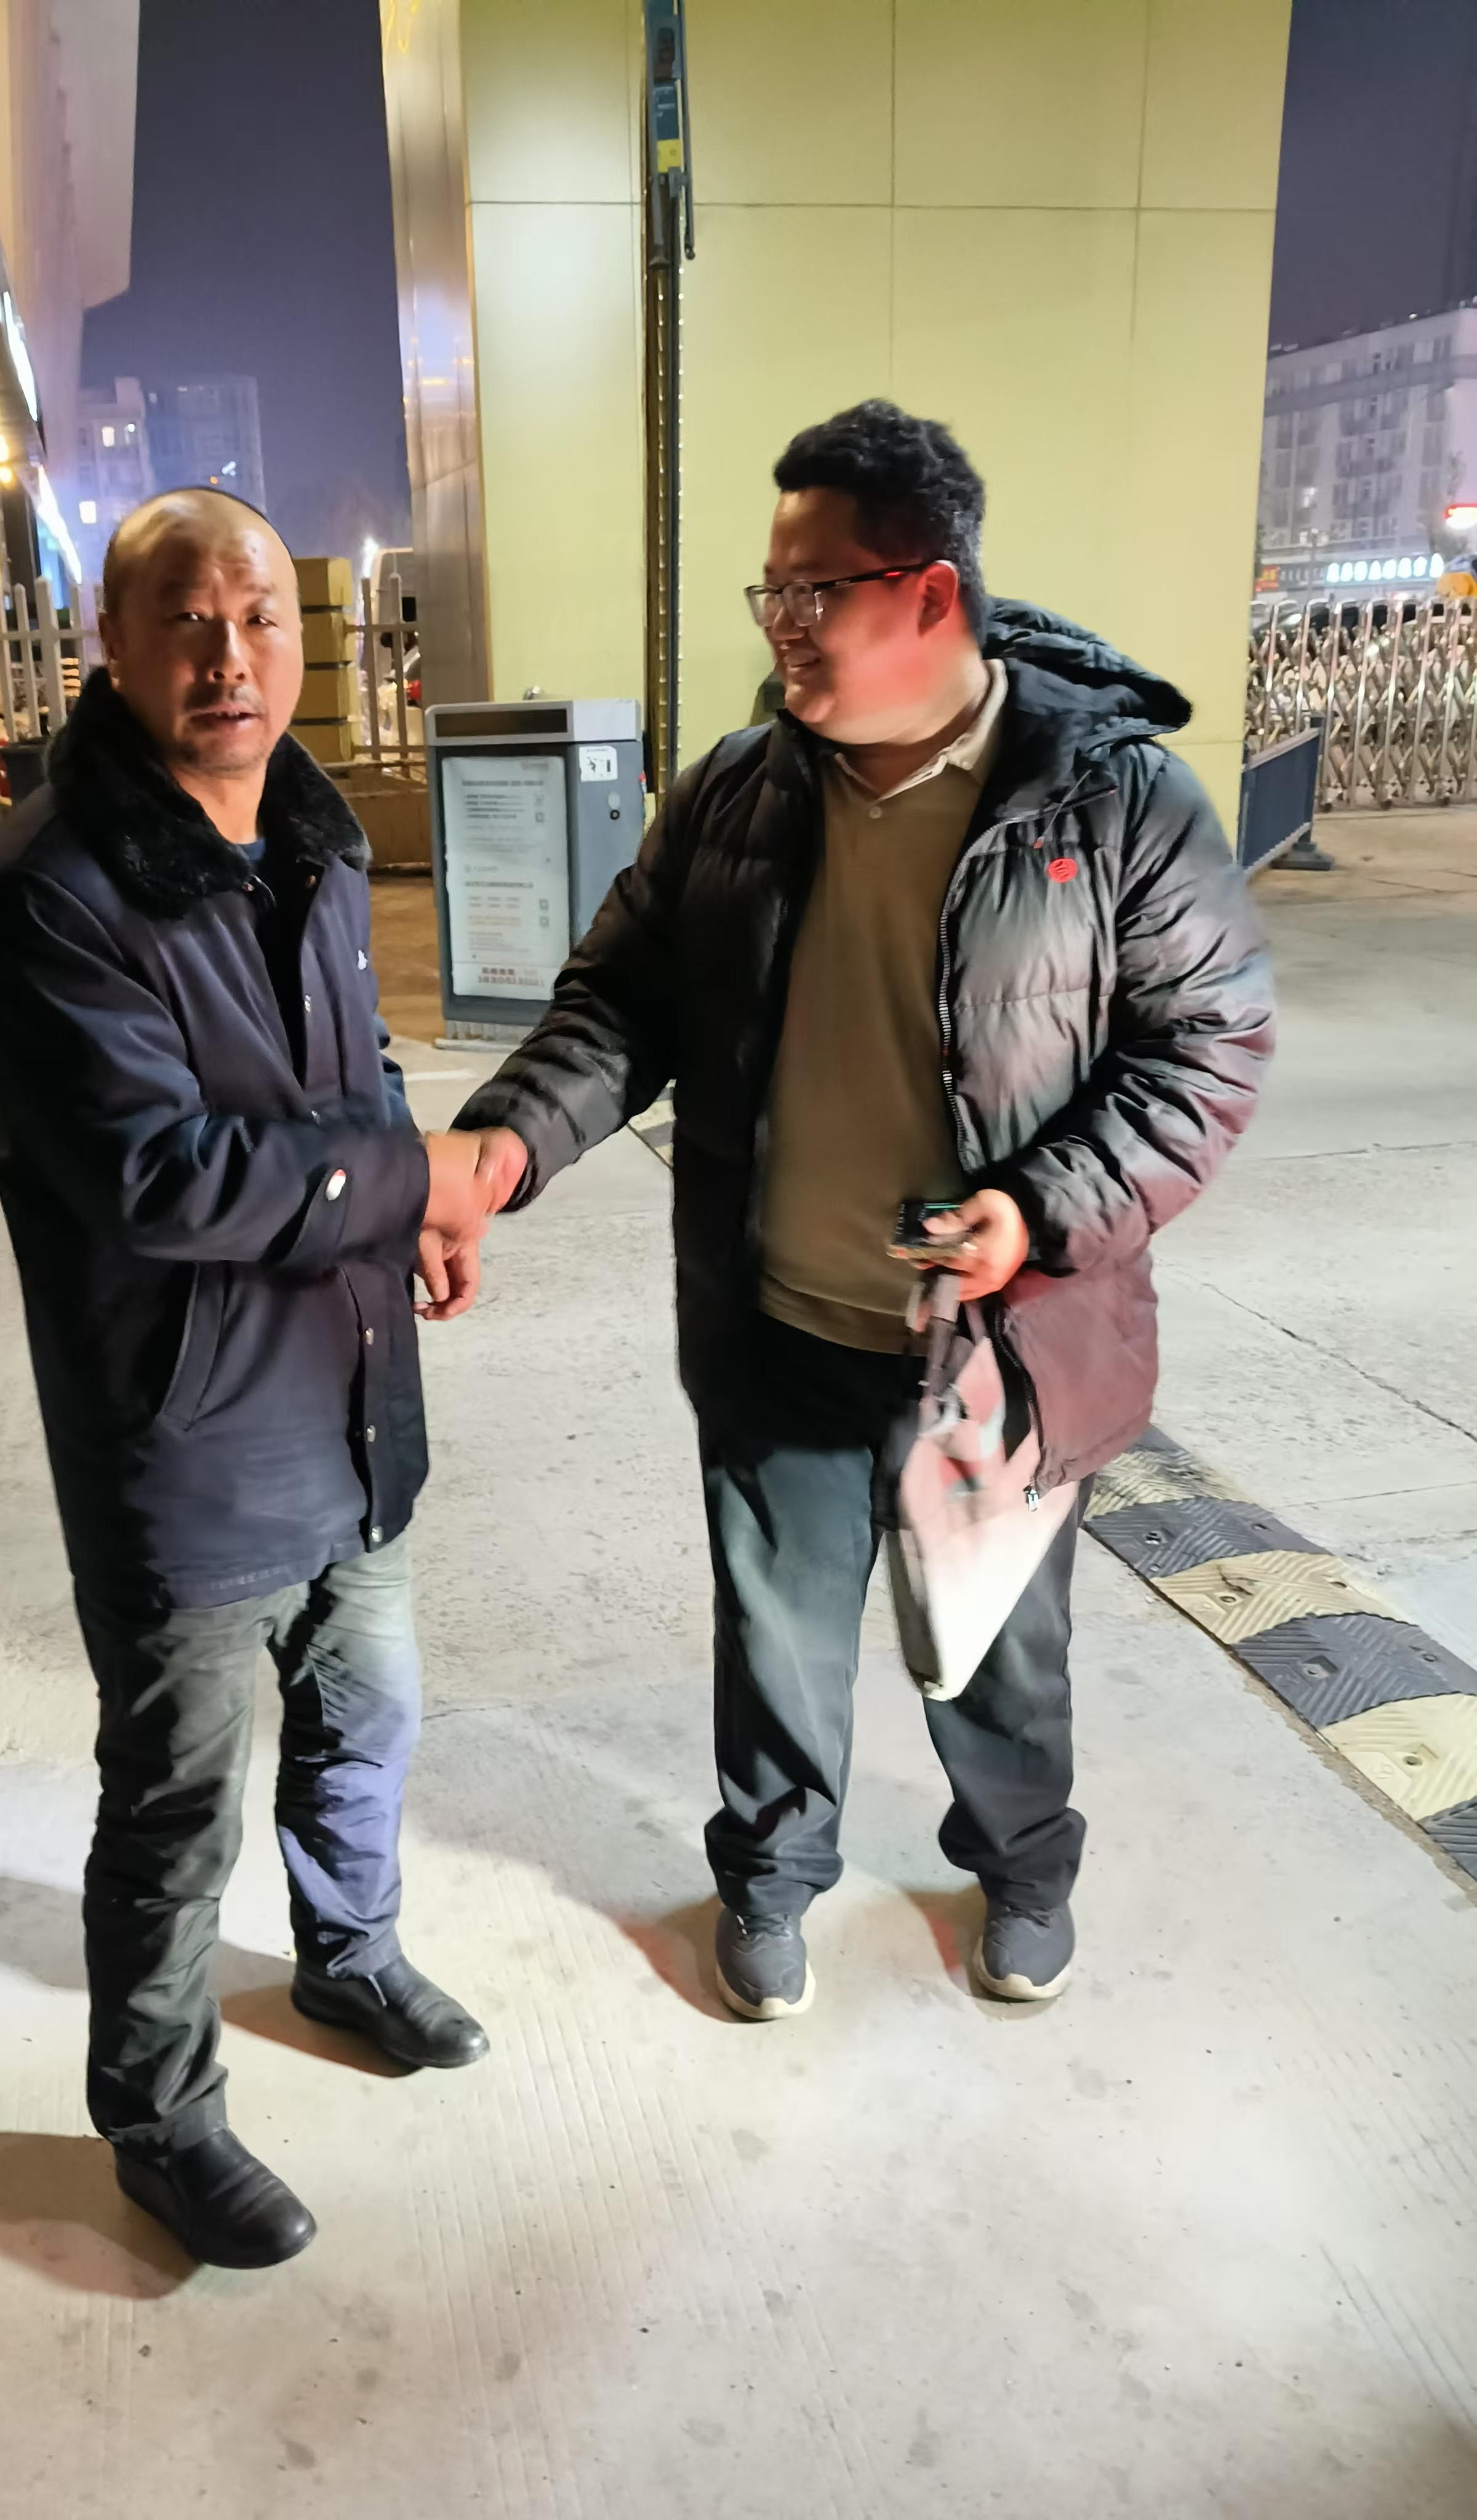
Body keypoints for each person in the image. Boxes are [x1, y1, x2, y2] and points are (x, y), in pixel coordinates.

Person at [455, 401, 1275, 2022]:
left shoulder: (1109, 801)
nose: (780, 623)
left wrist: (1039, 1212)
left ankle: (1024, 1868)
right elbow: (622, 1003)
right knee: (773, 1639)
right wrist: (503, 1150)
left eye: (813, 590)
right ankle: (770, 1878)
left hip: (1000, 1344)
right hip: (778, 1317)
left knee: (1002, 1647)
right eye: (771, 589)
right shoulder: (737, 795)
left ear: (932, 594)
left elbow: (1209, 1048)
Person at [0, 487, 513, 2268]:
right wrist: (410, 1175)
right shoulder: (51, 892)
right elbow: (160, 1176)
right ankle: (162, 2119)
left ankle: (349, 1956)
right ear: (112, 646)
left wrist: (405, 1218)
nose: (230, 656)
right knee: (177, 1803)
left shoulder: (314, 839)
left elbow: (346, 1088)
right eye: (186, 621)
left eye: (261, 616)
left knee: (368, 1719)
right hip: (185, 1432)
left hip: (353, 1393)